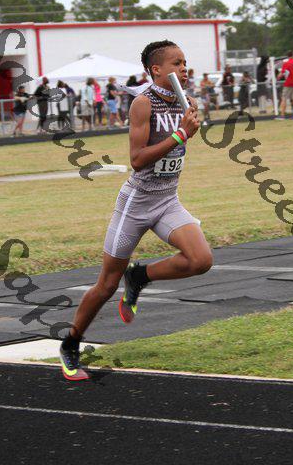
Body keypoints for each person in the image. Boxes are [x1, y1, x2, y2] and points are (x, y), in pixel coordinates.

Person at [59, 39, 212, 380]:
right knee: (106, 284)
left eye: (185, 62)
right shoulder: (143, 103)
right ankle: (71, 343)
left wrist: (185, 129)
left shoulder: (186, 102)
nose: (184, 69)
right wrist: (181, 135)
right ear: (156, 70)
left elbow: (177, 145)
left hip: (167, 200)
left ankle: (140, 276)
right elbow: (137, 160)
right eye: (176, 63)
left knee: (201, 260)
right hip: (137, 204)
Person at [276, 51, 293, 119]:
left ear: (287, 56)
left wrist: (277, 77)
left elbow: (282, 73)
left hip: (288, 83)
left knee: (284, 99)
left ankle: (282, 115)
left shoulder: (286, 63)